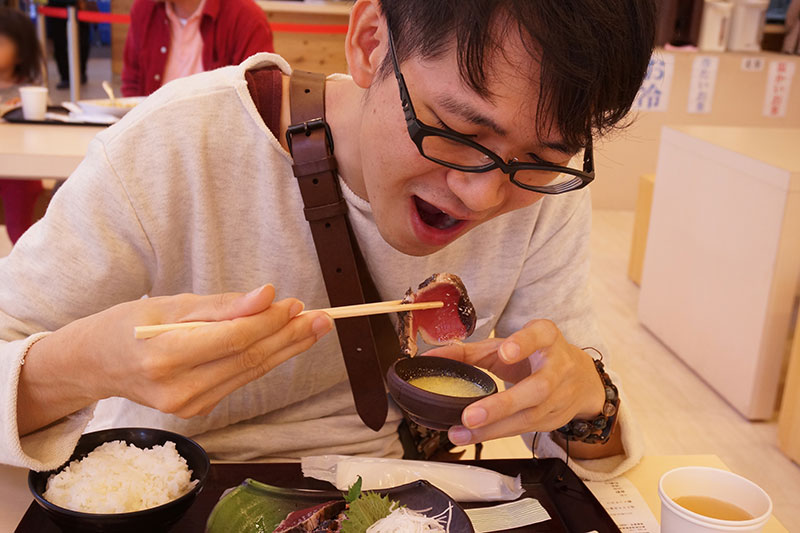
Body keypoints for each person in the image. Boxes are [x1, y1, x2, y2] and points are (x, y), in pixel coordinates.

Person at [1, 0, 656, 481]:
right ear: (371, 43)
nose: (483, 195)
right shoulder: (177, 144)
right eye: (458, 130)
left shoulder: (540, 190)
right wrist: (86, 362)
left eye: (540, 157)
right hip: (180, 486)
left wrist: (587, 400)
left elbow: (580, 440)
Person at [121, 0, 274, 97]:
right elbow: (132, 83)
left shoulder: (246, 17)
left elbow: (262, 96)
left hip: (218, 140)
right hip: (151, 135)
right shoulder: (143, 9)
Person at [0, 7, 45, 244]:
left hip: (20, 173)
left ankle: (25, 265)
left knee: (21, 232)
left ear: (20, 55)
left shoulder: (28, 93)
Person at [46, 0, 91, 89]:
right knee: (60, 44)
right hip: (57, 10)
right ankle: (65, 77)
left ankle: (80, 73)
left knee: (81, 42)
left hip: (77, 8)